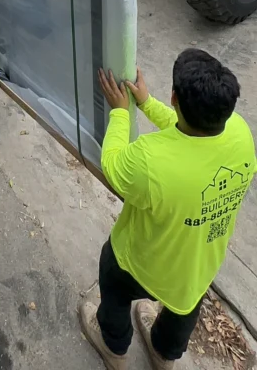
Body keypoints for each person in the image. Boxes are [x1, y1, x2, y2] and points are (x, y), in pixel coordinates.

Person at [80, 49, 256, 370]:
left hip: (143, 264)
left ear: (174, 97)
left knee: (113, 275)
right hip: (199, 263)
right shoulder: (241, 133)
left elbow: (113, 165)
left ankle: (114, 347)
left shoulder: (150, 160)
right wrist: (147, 103)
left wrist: (120, 113)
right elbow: (189, 132)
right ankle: (164, 355)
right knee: (184, 304)